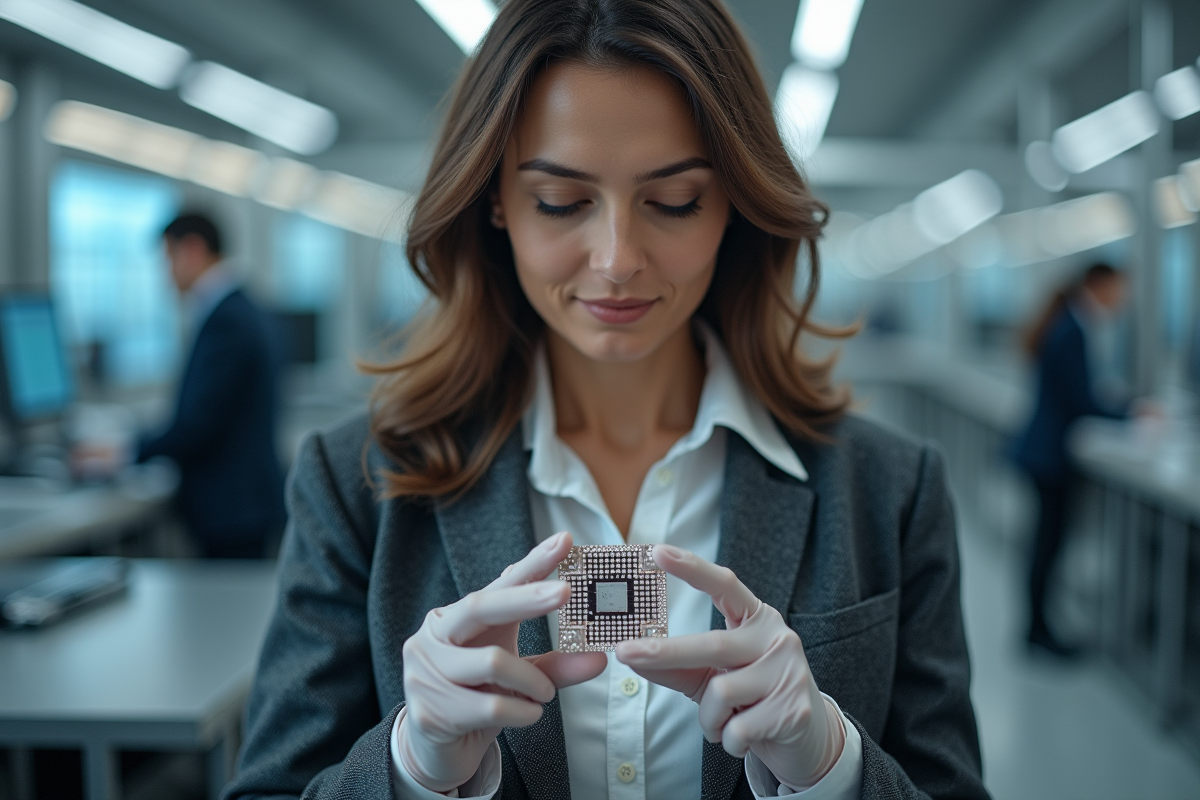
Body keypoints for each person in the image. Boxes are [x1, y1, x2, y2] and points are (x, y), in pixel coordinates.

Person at [224, 1, 987, 798]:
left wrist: (832, 765)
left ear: (733, 203)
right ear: (495, 202)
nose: (618, 259)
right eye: (560, 201)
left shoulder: (888, 489)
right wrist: (414, 766)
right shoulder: (356, 484)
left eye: (676, 200)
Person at [138, 212, 285, 559]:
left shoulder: (227, 320)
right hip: (244, 502)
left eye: (168, 259)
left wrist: (127, 452)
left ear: (192, 249)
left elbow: (198, 424)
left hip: (231, 507)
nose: (167, 275)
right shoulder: (245, 306)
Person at [1012, 263, 1129, 657]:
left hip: (1046, 451)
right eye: (1118, 290)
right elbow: (1082, 400)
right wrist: (1132, 413)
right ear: (1098, 284)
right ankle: (1038, 632)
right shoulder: (1072, 330)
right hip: (1049, 456)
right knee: (1047, 546)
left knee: (1045, 545)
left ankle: (1039, 628)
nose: (1121, 300)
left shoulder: (1067, 324)